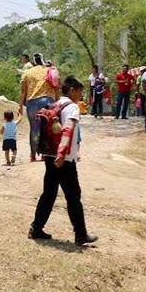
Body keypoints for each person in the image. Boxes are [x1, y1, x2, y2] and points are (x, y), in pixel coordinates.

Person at [29, 76, 97, 246]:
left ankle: (36, 228)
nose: (80, 96)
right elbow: (67, 130)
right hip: (63, 159)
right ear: (72, 90)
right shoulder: (72, 107)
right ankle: (81, 234)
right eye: (80, 92)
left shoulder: (55, 104)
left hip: (49, 156)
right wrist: (62, 153)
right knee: (74, 196)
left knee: (49, 194)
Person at [20, 53, 59, 160]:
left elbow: (23, 91)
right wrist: (58, 102)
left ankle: (33, 155)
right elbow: (56, 87)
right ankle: (44, 154)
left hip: (32, 103)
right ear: (43, 60)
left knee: (34, 128)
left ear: (34, 61)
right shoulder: (49, 70)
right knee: (47, 128)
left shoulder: (27, 72)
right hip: (48, 101)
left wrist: (20, 105)